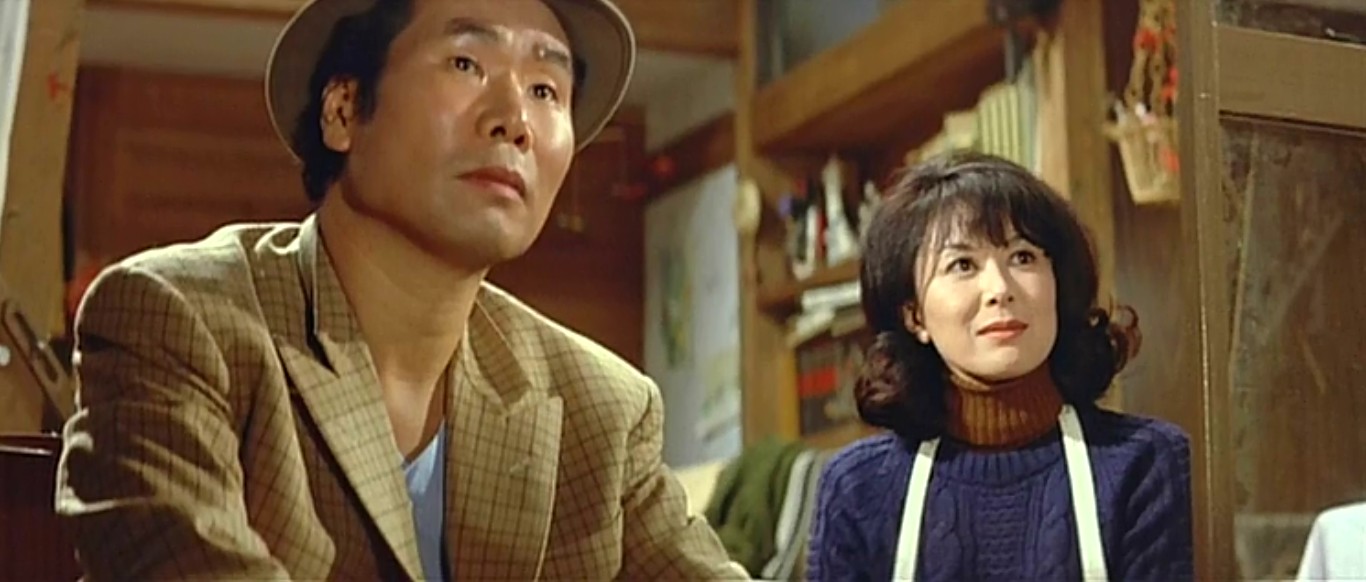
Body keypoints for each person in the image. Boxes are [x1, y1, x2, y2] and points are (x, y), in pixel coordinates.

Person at [53, 0, 746, 580]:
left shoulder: (602, 409)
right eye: (467, 63)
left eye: (546, 90)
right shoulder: (178, 320)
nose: (515, 119)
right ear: (343, 110)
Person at [806, 151, 1193, 581]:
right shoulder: (857, 488)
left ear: (1058, 285)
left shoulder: (1146, 463)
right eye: (963, 265)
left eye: (1023, 257)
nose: (999, 289)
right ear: (915, 316)